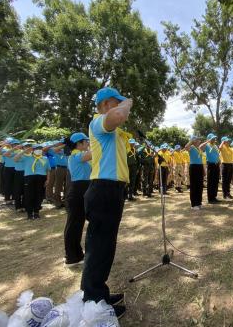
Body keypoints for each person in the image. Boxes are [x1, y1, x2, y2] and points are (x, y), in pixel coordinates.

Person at [80, 86, 132, 318]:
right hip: (103, 189)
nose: (120, 105)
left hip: (112, 190)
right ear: (104, 105)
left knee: (105, 247)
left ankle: (98, 292)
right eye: (115, 101)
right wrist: (128, 102)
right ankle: (94, 300)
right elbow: (119, 115)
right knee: (99, 247)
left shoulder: (113, 133)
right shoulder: (98, 122)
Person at [64, 132, 92, 268]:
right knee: (73, 224)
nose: (88, 144)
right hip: (77, 191)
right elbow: (94, 153)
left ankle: (77, 254)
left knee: (78, 224)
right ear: (79, 143)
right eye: (86, 141)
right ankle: (71, 257)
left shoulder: (80, 155)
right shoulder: (75, 156)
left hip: (83, 189)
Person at [14, 143, 51, 219]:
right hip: (29, 177)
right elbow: (15, 159)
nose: (39, 150)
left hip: (41, 177)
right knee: (29, 195)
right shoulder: (27, 157)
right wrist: (24, 151)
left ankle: (36, 212)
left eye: (40, 149)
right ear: (33, 150)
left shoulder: (45, 158)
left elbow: (48, 170)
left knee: (39, 195)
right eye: (37, 149)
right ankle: (29, 213)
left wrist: (48, 179)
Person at [184, 135, 207, 210]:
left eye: (199, 140)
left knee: (200, 185)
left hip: (199, 167)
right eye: (197, 140)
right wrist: (191, 141)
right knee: (194, 185)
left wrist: (203, 170)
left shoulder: (199, 149)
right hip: (193, 167)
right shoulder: (191, 147)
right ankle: (194, 204)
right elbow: (186, 147)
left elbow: (201, 160)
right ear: (194, 141)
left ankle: (199, 202)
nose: (199, 141)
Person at [0, 138, 20, 204]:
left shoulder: (20, 151)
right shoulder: (6, 150)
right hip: (8, 169)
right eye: (14, 144)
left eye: (17, 144)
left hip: (17, 169)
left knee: (16, 184)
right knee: (7, 184)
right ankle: (7, 199)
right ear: (11, 145)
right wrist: (3, 145)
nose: (15, 145)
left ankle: (14, 199)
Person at [204, 133, 221, 203]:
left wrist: (219, 161)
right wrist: (207, 141)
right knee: (211, 182)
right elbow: (200, 146)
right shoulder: (207, 145)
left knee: (215, 181)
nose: (214, 139)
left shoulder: (215, 146)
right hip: (211, 165)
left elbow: (217, 154)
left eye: (214, 138)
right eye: (212, 138)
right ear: (209, 139)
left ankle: (214, 197)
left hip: (216, 165)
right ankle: (210, 199)